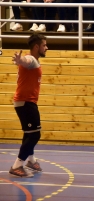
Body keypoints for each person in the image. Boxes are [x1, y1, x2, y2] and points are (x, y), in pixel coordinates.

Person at [9, 33, 48, 177]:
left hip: (26, 102)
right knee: (34, 135)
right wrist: (21, 60)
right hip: (26, 102)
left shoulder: (34, 60)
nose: (46, 48)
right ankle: (17, 166)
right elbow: (26, 61)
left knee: (29, 133)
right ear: (36, 47)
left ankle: (31, 160)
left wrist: (21, 61)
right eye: (44, 45)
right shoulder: (31, 59)